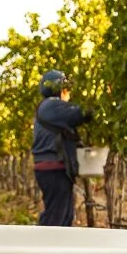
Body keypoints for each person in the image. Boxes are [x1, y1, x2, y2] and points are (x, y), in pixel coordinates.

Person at [31, 69, 91, 226]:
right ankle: (43, 248)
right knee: (56, 217)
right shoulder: (52, 105)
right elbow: (81, 114)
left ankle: (55, 248)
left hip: (53, 169)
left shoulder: (48, 107)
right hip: (53, 169)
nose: (68, 91)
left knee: (64, 215)